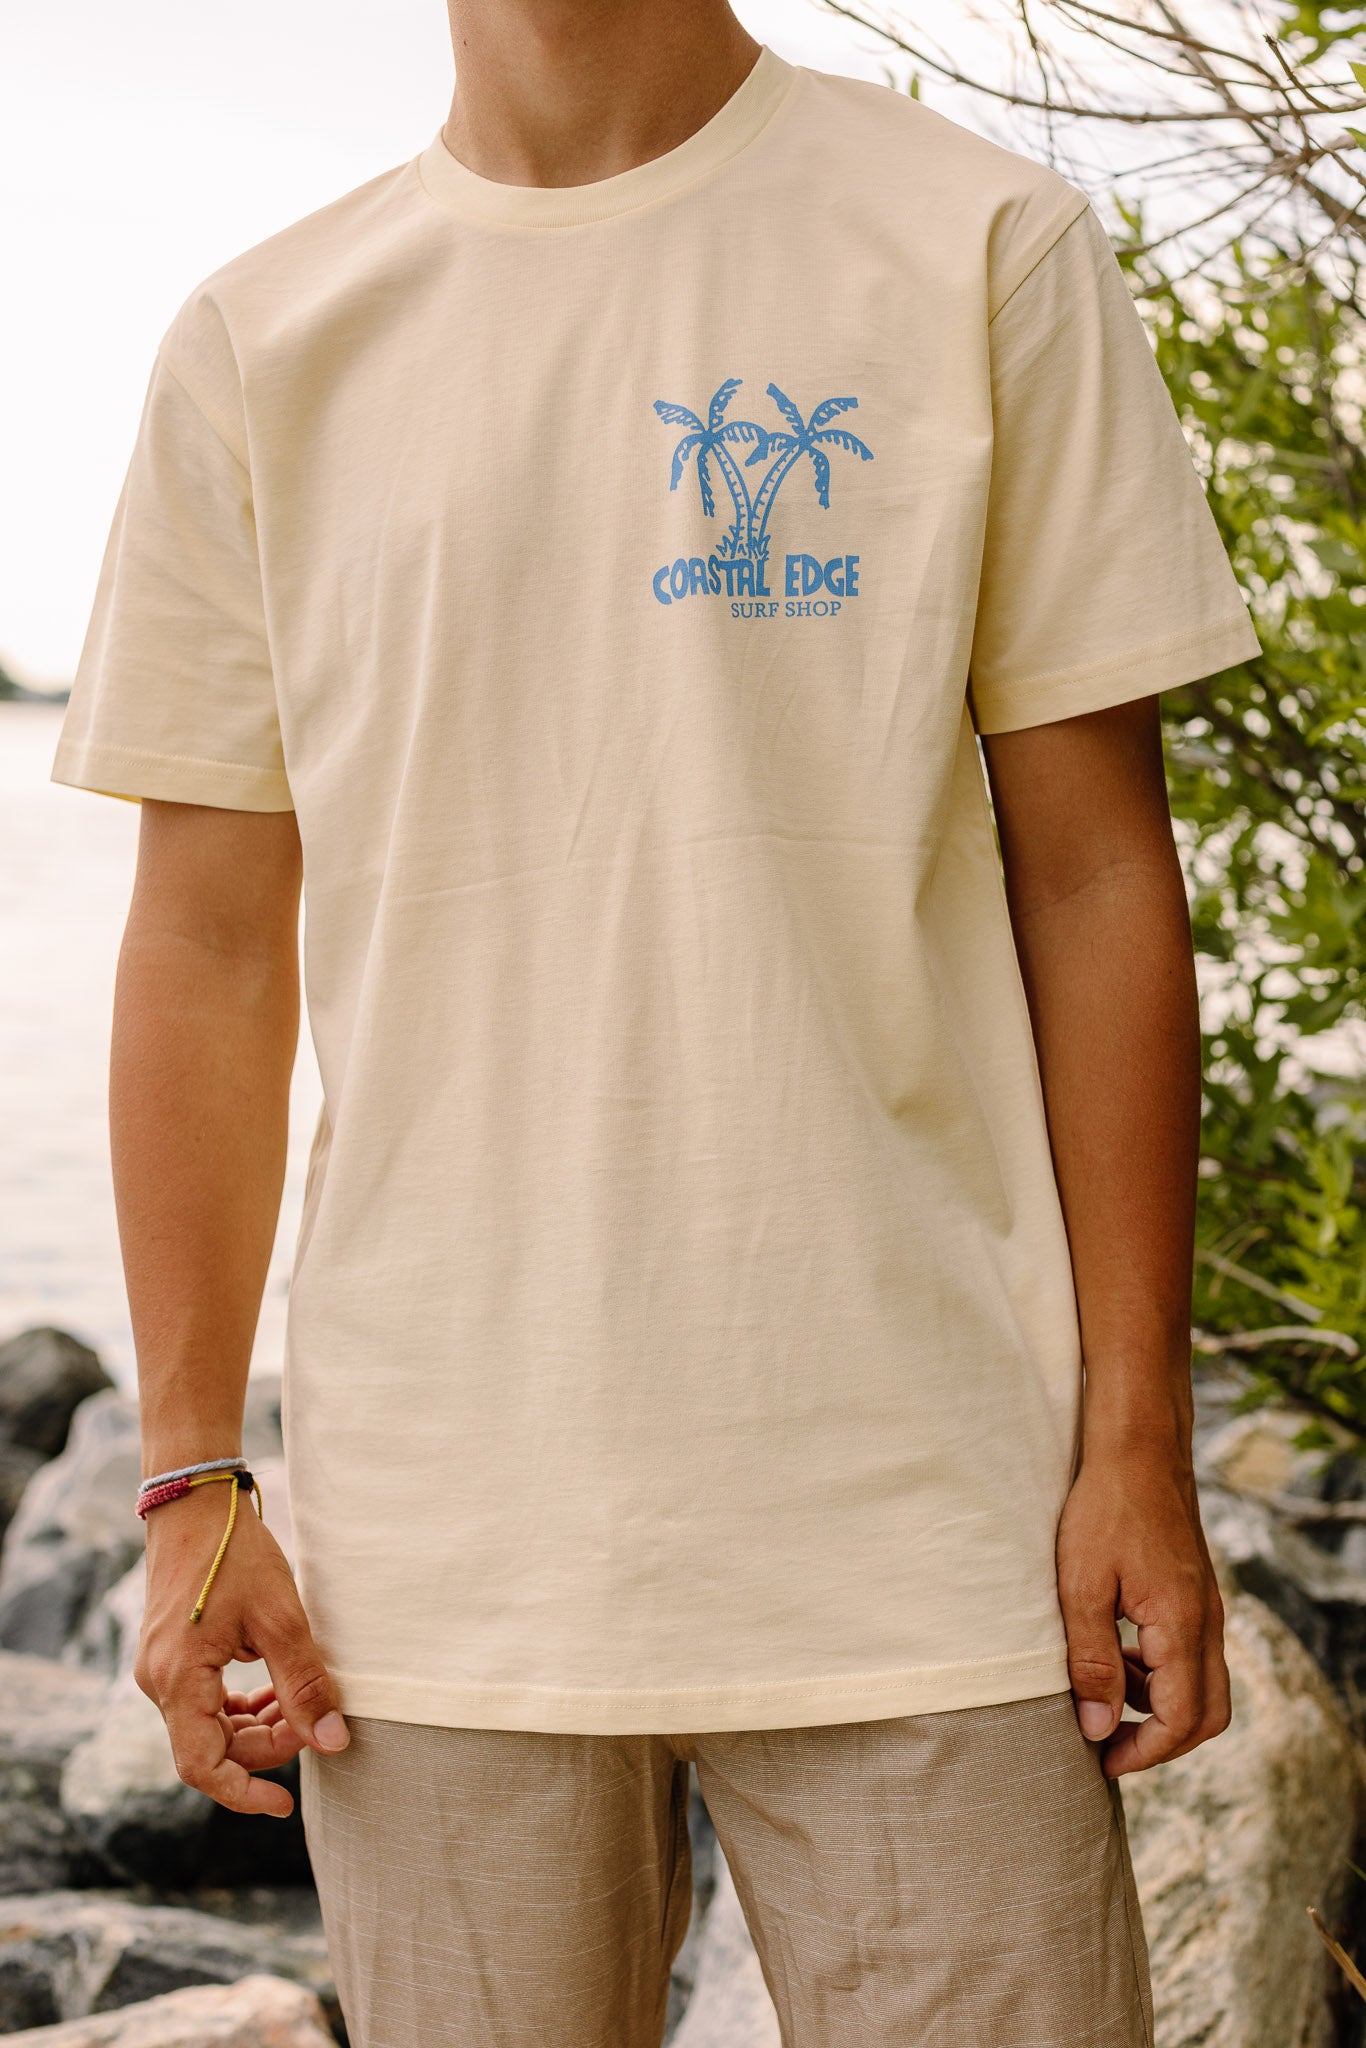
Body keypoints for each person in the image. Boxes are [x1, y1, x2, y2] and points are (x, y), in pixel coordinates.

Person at [52, 1, 1260, 2040]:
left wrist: (1134, 1435)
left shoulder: (975, 245)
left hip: (929, 1526)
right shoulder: (264, 341)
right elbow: (208, 949)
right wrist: (191, 1483)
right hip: (433, 1573)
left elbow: (1093, 882)